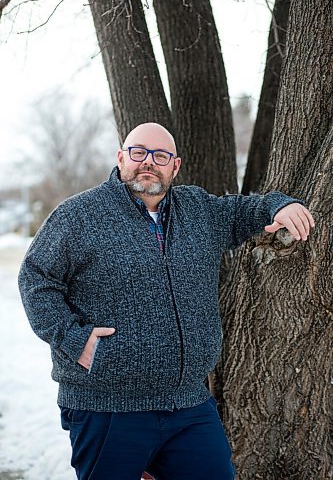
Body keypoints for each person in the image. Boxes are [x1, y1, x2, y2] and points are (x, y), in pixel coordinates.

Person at [18, 122, 315, 480]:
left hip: (188, 405)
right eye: (138, 152)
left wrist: (279, 206)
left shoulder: (198, 210)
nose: (148, 162)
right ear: (121, 158)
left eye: (160, 156)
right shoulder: (78, 216)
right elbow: (35, 278)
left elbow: (242, 211)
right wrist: (74, 340)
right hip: (108, 407)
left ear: (175, 166)